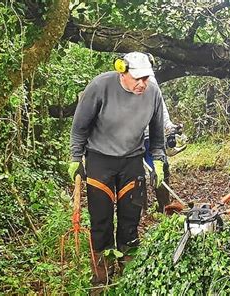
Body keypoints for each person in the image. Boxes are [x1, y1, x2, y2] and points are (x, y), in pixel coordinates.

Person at [68, 52, 166, 289]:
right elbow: (80, 127)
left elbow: (157, 134)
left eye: (146, 78)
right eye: (137, 79)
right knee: (101, 220)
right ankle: (101, 275)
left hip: (132, 160)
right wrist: (75, 157)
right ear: (122, 72)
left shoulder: (153, 93)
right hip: (100, 160)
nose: (142, 84)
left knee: (130, 218)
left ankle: (128, 270)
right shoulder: (100, 86)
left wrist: (159, 160)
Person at [143, 93, 183, 213]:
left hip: (154, 137)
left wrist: (170, 127)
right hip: (134, 139)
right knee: (136, 174)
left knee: (161, 169)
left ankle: (165, 207)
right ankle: (140, 211)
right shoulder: (125, 90)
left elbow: (162, 112)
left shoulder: (153, 90)